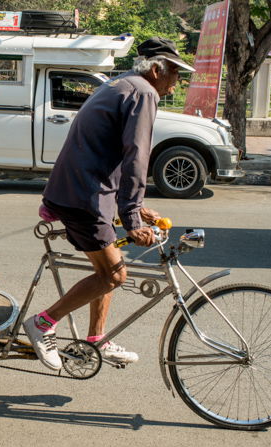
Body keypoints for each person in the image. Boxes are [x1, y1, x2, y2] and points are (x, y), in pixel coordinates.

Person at [23, 37, 195, 370]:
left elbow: (111, 151)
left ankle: (96, 339)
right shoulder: (143, 92)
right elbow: (136, 156)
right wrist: (132, 219)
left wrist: (136, 207)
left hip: (82, 191)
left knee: (108, 266)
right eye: (174, 72)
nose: (176, 82)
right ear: (157, 69)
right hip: (84, 196)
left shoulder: (122, 84)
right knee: (114, 275)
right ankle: (43, 323)